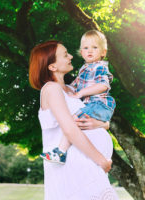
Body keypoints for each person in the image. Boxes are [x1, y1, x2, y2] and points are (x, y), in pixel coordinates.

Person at [29, 40, 118, 199]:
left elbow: (99, 119)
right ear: (52, 66)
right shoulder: (51, 89)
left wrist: (101, 124)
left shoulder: (73, 90)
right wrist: (101, 161)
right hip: (71, 168)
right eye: (64, 54)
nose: (70, 56)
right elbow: (70, 130)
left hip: (87, 165)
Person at [40, 30, 116, 164]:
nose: (90, 51)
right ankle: (60, 152)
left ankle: (61, 151)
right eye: (86, 48)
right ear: (81, 52)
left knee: (74, 119)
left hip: (99, 104)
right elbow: (77, 84)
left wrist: (104, 124)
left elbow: (103, 85)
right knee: (73, 120)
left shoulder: (99, 67)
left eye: (95, 47)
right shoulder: (82, 70)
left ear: (103, 52)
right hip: (93, 109)